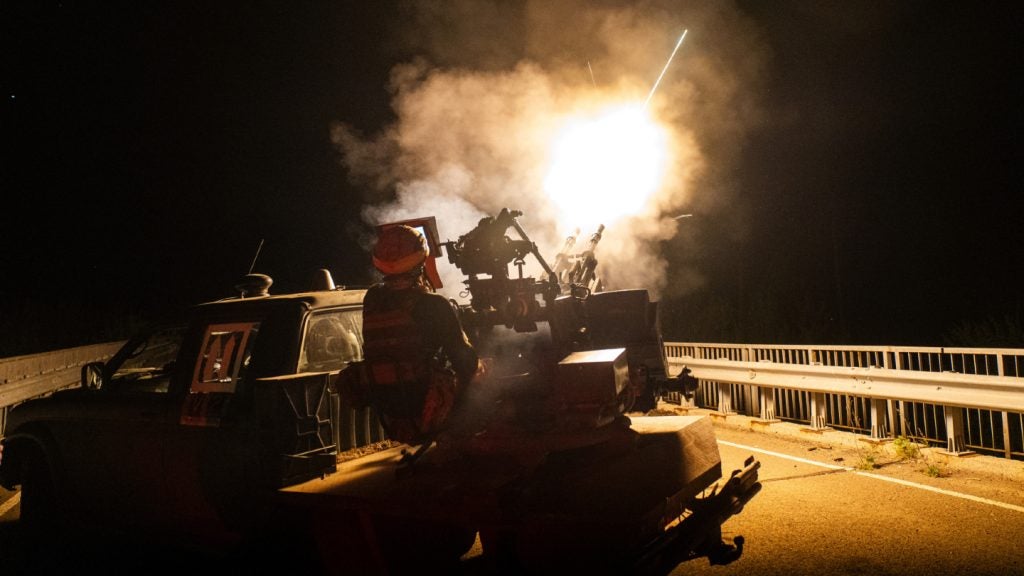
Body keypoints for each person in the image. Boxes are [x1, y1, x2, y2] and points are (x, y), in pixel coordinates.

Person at [351, 224, 480, 448]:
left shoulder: (372, 298)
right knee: (481, 370)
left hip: (389, 407)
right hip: (425, 403)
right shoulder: (434, 304)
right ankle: (463, 443)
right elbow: (464, 360)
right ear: (420, 259)